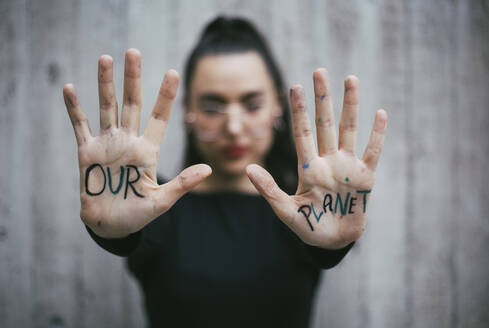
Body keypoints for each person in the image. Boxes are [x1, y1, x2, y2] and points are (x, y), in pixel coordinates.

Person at [62, 16, 387, 328]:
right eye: (213, 107)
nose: (233, 127)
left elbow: (322, 242)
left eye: (252, 104)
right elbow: (127, 230)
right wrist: (112, 231)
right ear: (188, 111)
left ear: (277, 105)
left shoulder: (305, 212)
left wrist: (332, 240)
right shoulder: (154, 206)